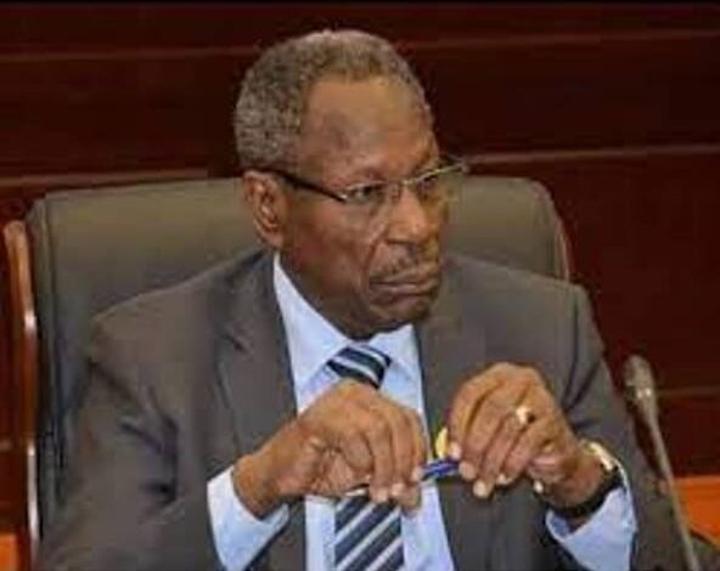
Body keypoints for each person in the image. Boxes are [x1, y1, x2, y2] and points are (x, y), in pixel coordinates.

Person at [40, 30, 686, 570]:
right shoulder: (153, 357)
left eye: (428, 180)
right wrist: (256, 487)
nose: (417, 226)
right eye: (367, 194)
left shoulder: (542, 328)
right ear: (268, 207)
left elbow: (679, 560)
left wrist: (578, 482)